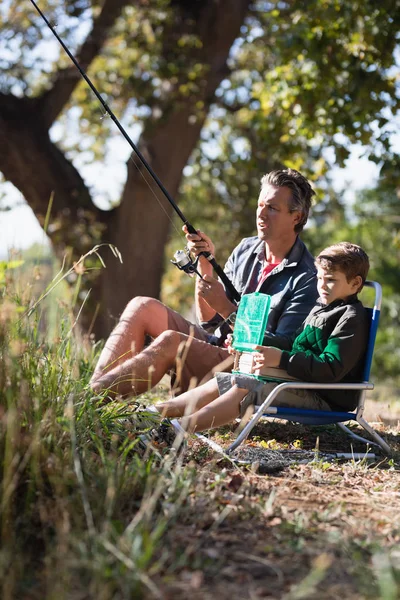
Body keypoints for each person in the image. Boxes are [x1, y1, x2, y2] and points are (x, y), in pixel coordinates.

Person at [90, 168, 318, 397]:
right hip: (215, 345)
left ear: (296, 217)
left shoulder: (307, 278)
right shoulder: (246, 249)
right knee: (142, 306)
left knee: (172, 341)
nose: (261, 214)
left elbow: (281, 347)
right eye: (260, 205)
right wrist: (205, 264)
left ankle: (93, 398)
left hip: (244, 367)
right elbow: (209, 322)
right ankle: (92, 395)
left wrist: (228, 310)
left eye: (272, 208)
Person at [153, 242, 370, 434]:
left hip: (323, 397)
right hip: (299, 382)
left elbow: (331, 368)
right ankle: (152, 414)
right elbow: (291, 343)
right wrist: (252, 343)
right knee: (226, 380)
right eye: (320, 278)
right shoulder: (321, 308)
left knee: (247, 388)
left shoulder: (351, 318)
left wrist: (282, 360)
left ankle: (177, 431)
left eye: (330, 280)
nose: (321, 286)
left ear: (354, 284)